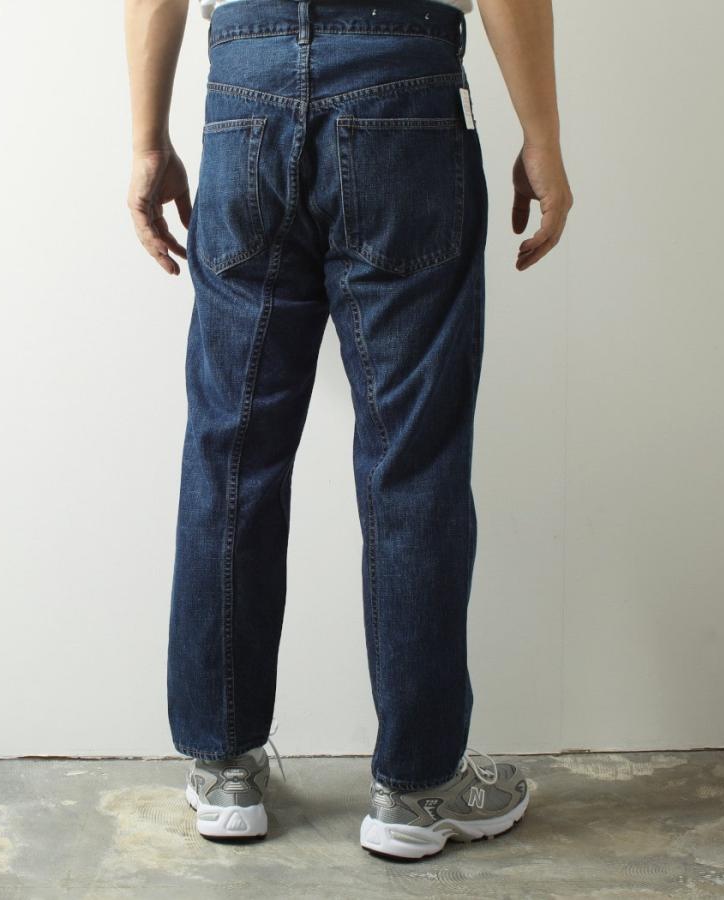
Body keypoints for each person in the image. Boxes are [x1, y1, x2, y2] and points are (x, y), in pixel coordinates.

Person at [125, 0, 572, 860]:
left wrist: (149, 140)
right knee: (414, 456)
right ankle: (418, 785)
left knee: (231, 449)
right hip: (402, 84)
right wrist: (542, 137)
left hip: (246, 87)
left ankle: (224, 767)